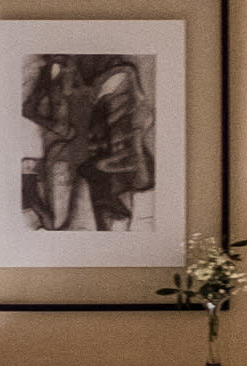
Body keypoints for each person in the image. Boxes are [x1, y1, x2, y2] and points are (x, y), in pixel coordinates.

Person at [20, 53, 152, 232]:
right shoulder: (70, 85)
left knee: (69, 220)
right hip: (71, 155)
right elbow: (59, 126)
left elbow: (62, 127)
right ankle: (33, 197)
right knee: (63, 221)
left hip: (79, 156)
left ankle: (34, 196)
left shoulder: (92, 90)